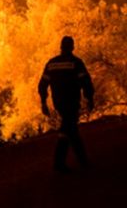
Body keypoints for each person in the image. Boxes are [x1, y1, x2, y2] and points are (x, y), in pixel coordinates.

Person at [38, 36, 95, 172]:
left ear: (61, 47)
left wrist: (44, 103)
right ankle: (62, 164)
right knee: (68, 130)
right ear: (72, 47)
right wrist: (89, 99)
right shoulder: (76, 63)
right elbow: (86, 82)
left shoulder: (51, 64)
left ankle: (80, 162)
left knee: (70, 129)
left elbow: (42, 85)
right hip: (72, 101)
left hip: (59, 103)